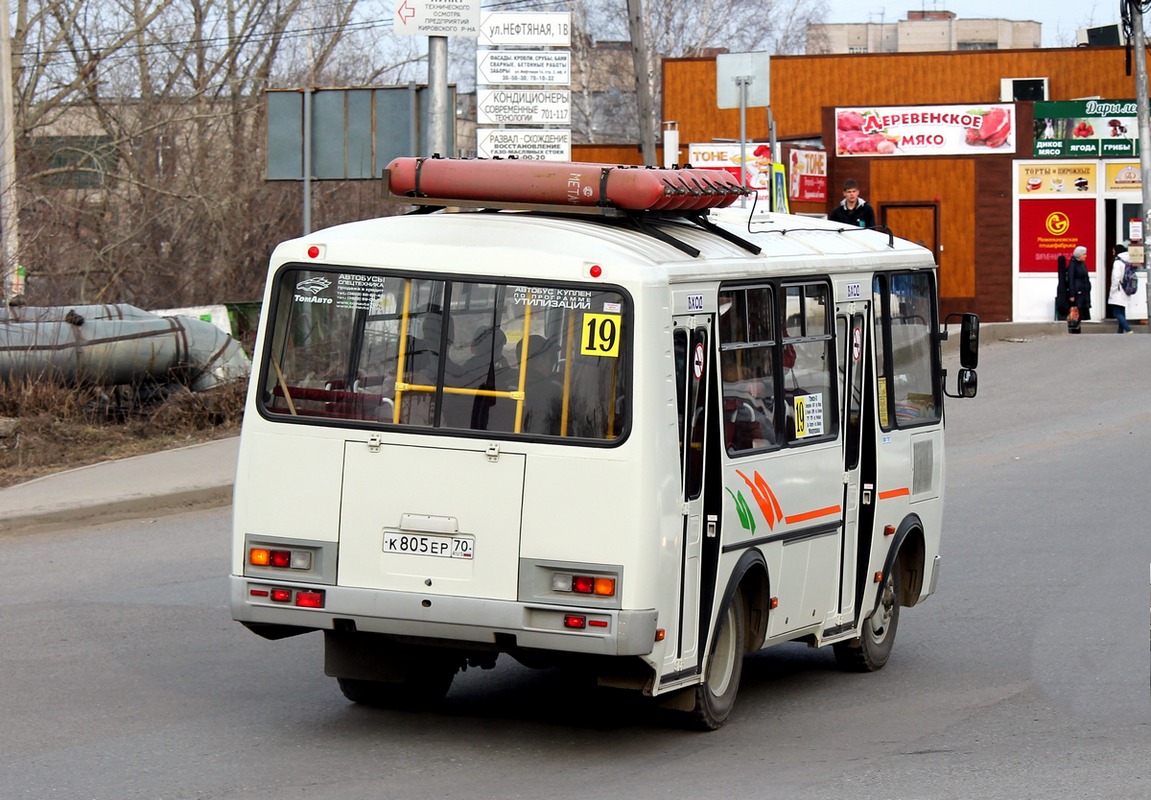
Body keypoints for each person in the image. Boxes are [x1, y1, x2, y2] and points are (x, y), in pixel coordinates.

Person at [1107, 243, 1134, 334]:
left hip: (1118, 289)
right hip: (1125, 289)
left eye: (1113, 251)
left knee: (1116, 312)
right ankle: (1120, 332)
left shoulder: (1117, 262)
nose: (1112, 253)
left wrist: (1112, 290)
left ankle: (1128, 329)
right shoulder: (1127, 261)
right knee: (1121, 311)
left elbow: (1116, 277)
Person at [1066, 245, 1092, 333]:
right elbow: (1071, 279)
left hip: (1083, 292)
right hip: (1077, 292)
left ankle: (1078, 328)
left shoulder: (1082, 264)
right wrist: (1072, 294)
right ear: (1079, 255)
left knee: (1081, 311)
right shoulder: (1073, 264)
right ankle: (1074, 329)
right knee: (1076, 311)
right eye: (1084, 254)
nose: (1086, 256)